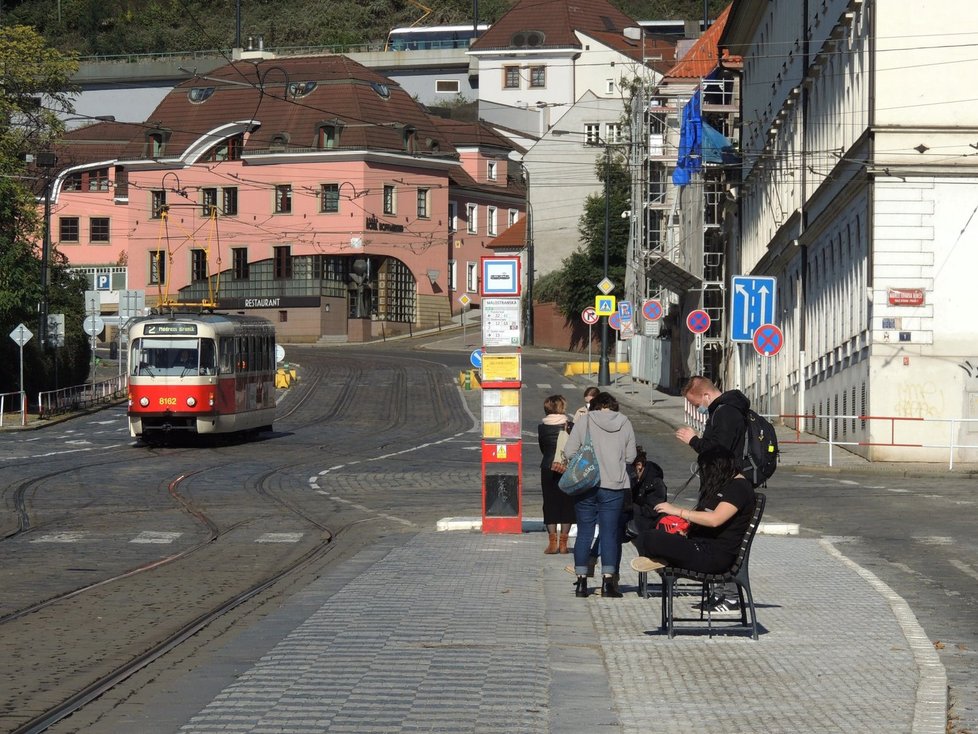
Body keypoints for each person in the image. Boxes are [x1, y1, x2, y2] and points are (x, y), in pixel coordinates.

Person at [673, 375, 750, 614]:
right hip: (717, 481)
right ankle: (718, 593)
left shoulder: (726, 413)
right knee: (711, 536)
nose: (698, 408)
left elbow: (720, 452)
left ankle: (728, 596)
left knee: (721, 536)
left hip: (723, 482)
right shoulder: (722, 411)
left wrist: (694, 440)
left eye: (696, 403)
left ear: (706, 395)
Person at [630, 446, 756, 580]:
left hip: (714, 555)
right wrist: (687, 530)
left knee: (650, 539)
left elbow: (715, 519)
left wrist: (678, 511)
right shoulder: (727, 484)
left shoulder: (738, 488)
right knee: (645, 530)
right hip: (700, 545)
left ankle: (666, 559)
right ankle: (666, 558)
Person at [563, 391, 636, 599]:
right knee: (609, 533)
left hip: (586, 484)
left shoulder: (584, 421)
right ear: (614, 406)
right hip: (614, 485)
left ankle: (581, 582)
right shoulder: (625, 422)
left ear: (594, 405)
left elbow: (569, 452)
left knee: (585, 532)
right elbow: (630, 456)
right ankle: (608, 583)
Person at [537, 395, 576, 554]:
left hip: (547, 467)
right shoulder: (570, 425)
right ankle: (563, 543)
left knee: (550, 503)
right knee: (567, 503)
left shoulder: (542, 427)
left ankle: (552, 543)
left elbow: (543, 448)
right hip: (567, 468)